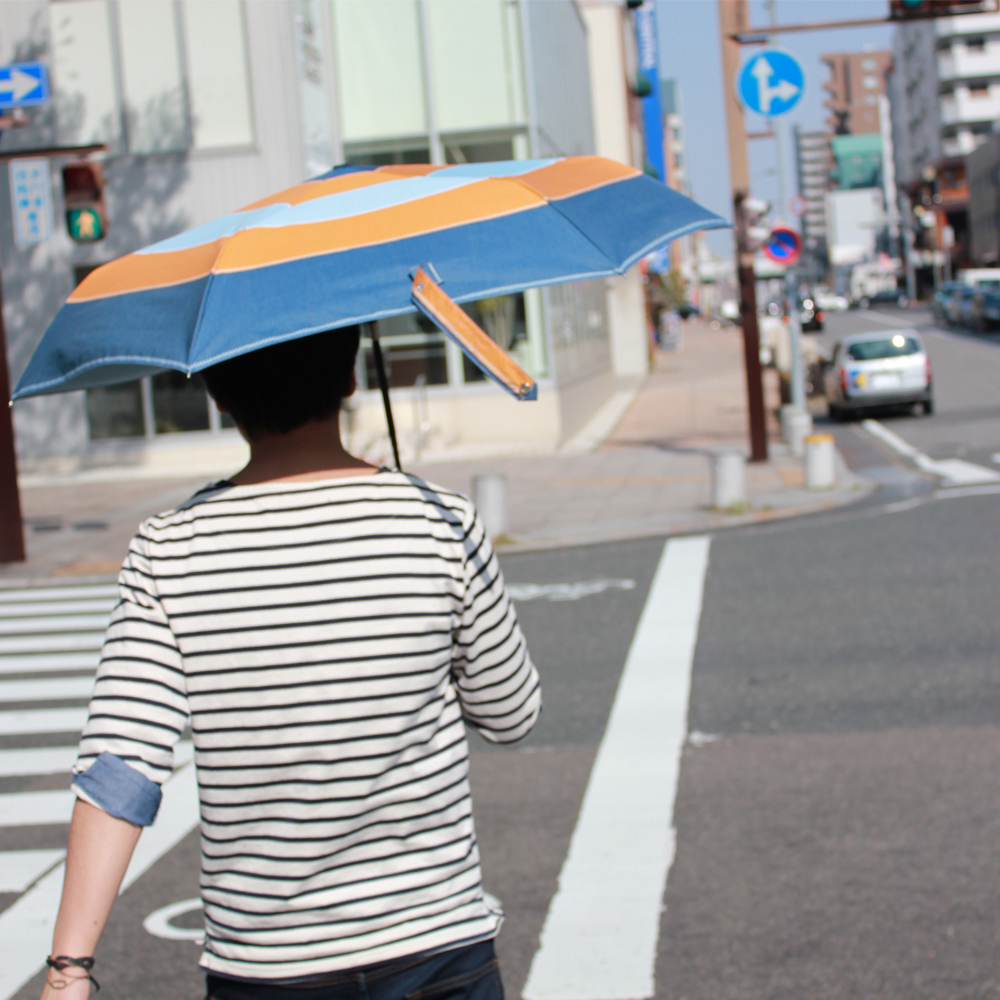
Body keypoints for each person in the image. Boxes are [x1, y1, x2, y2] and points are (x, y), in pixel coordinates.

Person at [41, 325, 541, 1000]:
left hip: (268, 966)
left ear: (218, 394)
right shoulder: (439, 521)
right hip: (436, 947)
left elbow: (120, 769)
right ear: (349, 379)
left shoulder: (169, 550)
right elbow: (510, 716)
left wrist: (70, 968)